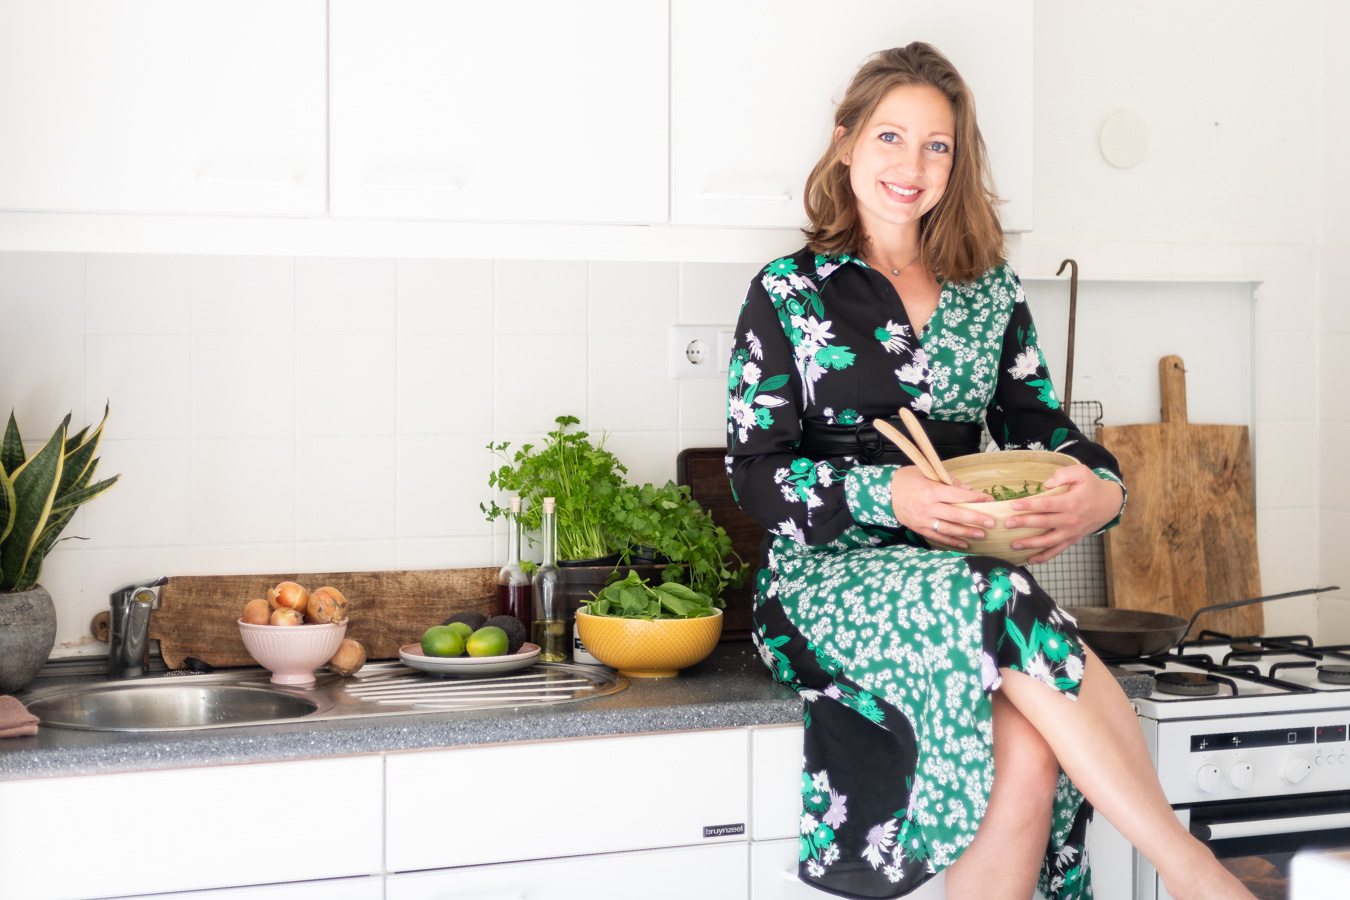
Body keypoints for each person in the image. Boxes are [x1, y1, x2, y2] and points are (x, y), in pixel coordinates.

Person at [726, 43, 1256, 900]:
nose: (912, 165)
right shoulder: (787, 291)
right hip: (821, 584)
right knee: (998, 593)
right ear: (846, 142)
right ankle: (1196, 876)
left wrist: (1104, 493)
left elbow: (1043, 426)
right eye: (891, 137)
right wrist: (885, 491)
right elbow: (752, 474)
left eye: (937, 146)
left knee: (1027, 748)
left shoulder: (988, 291)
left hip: (964, 586)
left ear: (957, 163)